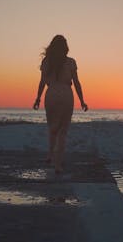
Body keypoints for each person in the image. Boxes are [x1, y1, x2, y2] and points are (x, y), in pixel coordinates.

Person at [33, 35, 88, 174]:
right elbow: (76, 83)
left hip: (51, 93)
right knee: (63, 130)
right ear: (66, 48)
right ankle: (58, 165)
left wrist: (38, 98)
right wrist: (82, 100)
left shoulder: (46, 62)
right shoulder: (70, 62)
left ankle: (50, 156)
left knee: (52, 127)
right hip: (66, 94)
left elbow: (41, 82)